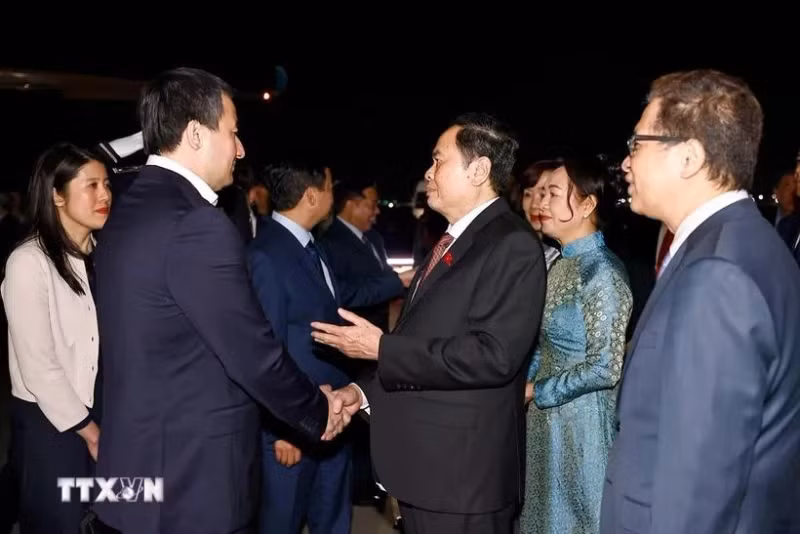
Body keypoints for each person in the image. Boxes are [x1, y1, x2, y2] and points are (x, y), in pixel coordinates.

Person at [92, 67, 350, 534]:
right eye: (233, 133)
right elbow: (251, 352)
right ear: (195, 134)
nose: (240, 148)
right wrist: (316, 409)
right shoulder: (196, 224)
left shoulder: (127, 208)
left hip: (133, 467)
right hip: (190, 484)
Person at [312, 113, 546, 534]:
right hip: (431, 473)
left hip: (464, 481)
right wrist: (359, 392)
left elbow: (492, 355)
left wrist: (381, 348)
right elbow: (421, 341)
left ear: (478, 170)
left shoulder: (510, 243)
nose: (428, 171)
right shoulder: (454, 239)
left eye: (439, 160)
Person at [601, 69, 800, 533]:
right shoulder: (742, 243)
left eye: (637, 144)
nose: (625, 163)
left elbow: (697, 490)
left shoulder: (718, 273)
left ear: (688, 156)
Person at [520, 157, 632, 533]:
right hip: (546, 422)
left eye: (553, 194)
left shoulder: (601, 271)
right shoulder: (560, 264)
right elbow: (543, 343)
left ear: (587, 204)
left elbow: (605, 367)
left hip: (581, 426)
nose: (541, 203)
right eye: (539, 193)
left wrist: (538, 389)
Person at [2, 142, 110, 533]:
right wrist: (90, 431)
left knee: (104, 516)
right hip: (52, 424)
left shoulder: (103, 256)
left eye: (107, 184)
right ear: (56, 195)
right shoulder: (28, 262)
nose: (105, 195)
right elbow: (39, 366)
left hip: (100, 411)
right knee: (57, 521)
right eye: (91, 185)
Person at [247, 160, 353, 534]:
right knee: (283, 523)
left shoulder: (312, 246)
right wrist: (280, 431)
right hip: (293, 429)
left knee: (334, 521)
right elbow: (265, 351)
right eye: (329, 187)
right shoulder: (267, 254)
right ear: (311, 196)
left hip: (334, 416)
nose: (332, 195)